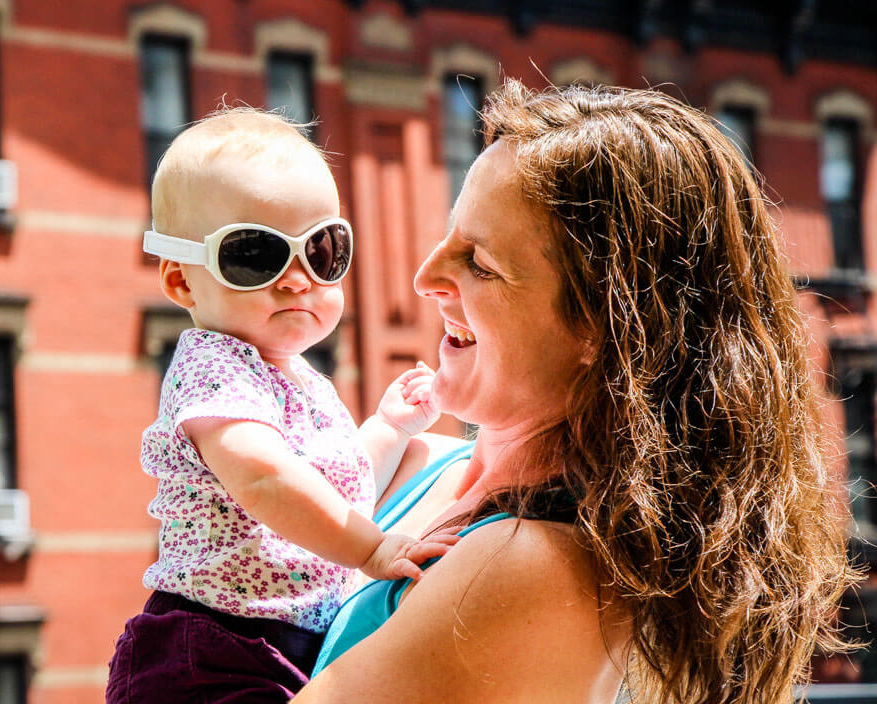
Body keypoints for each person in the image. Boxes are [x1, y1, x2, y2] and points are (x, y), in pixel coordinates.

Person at [291, 81, 857, 703]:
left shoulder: (531, 565)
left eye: (480, 263)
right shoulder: (426, 465)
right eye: (450, 234)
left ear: (601, 328)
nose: (426, 278)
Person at [105, 108, 457, 704]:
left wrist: (389, 429)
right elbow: (267, 479)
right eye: (255, 257)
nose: (297, 280)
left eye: (321, 251)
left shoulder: (301, 380)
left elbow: (334, 490)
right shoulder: (211, 368)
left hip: (285, 641)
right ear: (183, 283)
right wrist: (372, 549)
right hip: (209, 648)